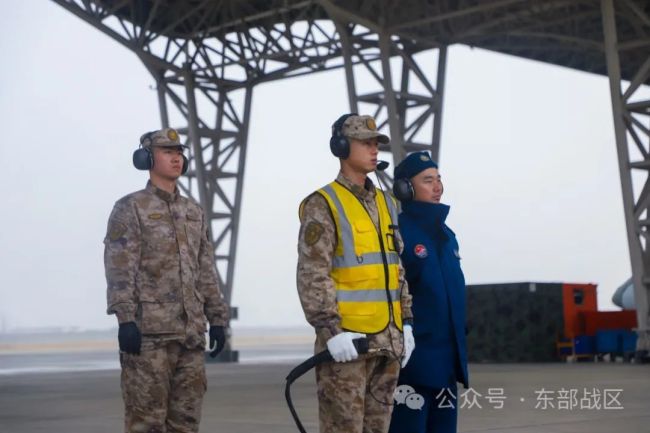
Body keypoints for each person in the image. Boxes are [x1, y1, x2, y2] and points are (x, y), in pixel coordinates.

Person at [104, 128, 230, 433]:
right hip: (149, 337)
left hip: (190, 336)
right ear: (146, 158)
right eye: (167, 152)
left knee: (186, 423)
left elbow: (206, 269)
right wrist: (125, 319)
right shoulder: (130, 207)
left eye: (179, 153)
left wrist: (217, 319)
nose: (176, 158)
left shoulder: (193, 212)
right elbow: (120, 266)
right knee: (146, 423)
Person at [296, 113, 415, 433]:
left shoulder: (387, 203)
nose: (374, 150)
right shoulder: (324, 204)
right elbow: (312, 273)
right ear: (341, 146)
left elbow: (396, 267)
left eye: (376, 144)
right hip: (348, 344)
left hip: (387, 344)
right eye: (365, 143)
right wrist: (330, 332)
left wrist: (406, 322)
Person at [388, 152, 469, 433]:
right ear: (405, 188)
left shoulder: (447, 236)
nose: (437, 187)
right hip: (414, 364)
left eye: (438, 179)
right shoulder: (397, 234)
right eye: (427, 180)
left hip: (447, 363)